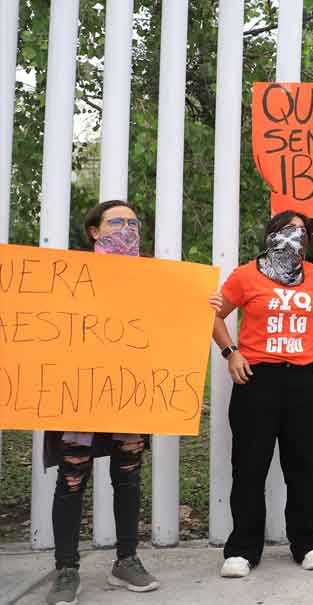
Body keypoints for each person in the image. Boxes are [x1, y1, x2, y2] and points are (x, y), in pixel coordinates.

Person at [43, 201, 166, 605]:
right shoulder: (69, 276)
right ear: (94, 231)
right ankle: (66, 569)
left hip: (129, 390)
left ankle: (126, 560)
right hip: (79, 391)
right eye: (117, 221)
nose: (127, 227)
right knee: (72, 477)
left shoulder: (153, 278)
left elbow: (169, 326)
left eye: (133, 222)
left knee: (128, 475)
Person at [211, 210, 313, 577]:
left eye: (302, 231)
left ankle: (309, 543)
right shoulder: (246, 275)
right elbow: (215, 315)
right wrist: (230, 352)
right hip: (257, 381)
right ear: (271, 235)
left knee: (303, 466)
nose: (295, 236)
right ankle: (242, 549)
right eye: (288, 230)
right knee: (249, 466)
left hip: (303, 380)